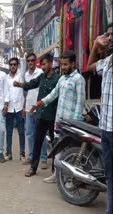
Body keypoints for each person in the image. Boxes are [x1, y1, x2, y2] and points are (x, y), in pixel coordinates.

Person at [33, 51, 86, 183]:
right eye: (62, 64)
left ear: (73, 64)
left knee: (70, 153)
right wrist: (39, 103)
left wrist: (75, 123)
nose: (63, 67)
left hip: (71, 124)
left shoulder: (79, 79)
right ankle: (56, 176)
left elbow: (80, 102)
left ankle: (70, 180)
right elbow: (53, 95)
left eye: (66, 64)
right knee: (58, 150)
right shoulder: (62, 79)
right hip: (59, 122)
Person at [14, 53, 60, 177]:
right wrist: (20, 84)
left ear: (50, 63)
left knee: (55, 144)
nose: (42, 67)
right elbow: (31, 84)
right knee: (37, 142)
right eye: (42, 64)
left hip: (52, 116)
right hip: (41, 115)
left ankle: (54, 171)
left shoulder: (57, 79)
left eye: (44, 64)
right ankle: (33, 168)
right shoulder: (42, 77)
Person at [88, 23, 113, 214]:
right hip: (106, 127)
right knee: (110, 173)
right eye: (108, 35)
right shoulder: (107, 62)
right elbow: (89, 67)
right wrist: (96, 45)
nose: (110, 38)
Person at [16, 42, 48, 168]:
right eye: (28, 60)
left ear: (36, 62)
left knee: (41, 134)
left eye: (32, 60)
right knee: (29, 133)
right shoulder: (26, 75)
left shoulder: (41, 73)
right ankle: (31, 157)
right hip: (29, 108)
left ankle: (44, 158)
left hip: (39, 109)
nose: (30, 62)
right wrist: (24, 107)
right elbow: (26, 93)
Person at [4, 57, 26, 162]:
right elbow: (6, 92)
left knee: (21, 132)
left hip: (19, 108)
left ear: (17, 66)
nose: (13, 66)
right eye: (11, 64)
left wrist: (20, 49)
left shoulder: (20, 76)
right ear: (9, 66)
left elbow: (23, 61)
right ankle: (9, 153)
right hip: (9, 109)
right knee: (9, 132)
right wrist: (6, 106)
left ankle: (22, 153)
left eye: (15, 64)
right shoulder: (6, 78)